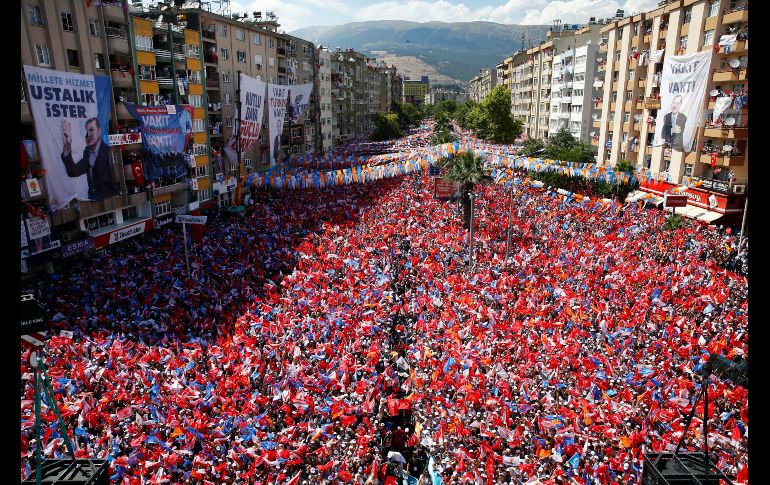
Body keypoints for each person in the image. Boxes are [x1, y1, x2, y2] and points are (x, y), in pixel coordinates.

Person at [60, 117, 120, 200]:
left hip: (111, 200)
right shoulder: (88, 152)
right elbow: (73, 172)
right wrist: (67, 145)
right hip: (94, 201)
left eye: (92, 130)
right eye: (86, 132)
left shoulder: (108, 150)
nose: (89, 135)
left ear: (99, 131)